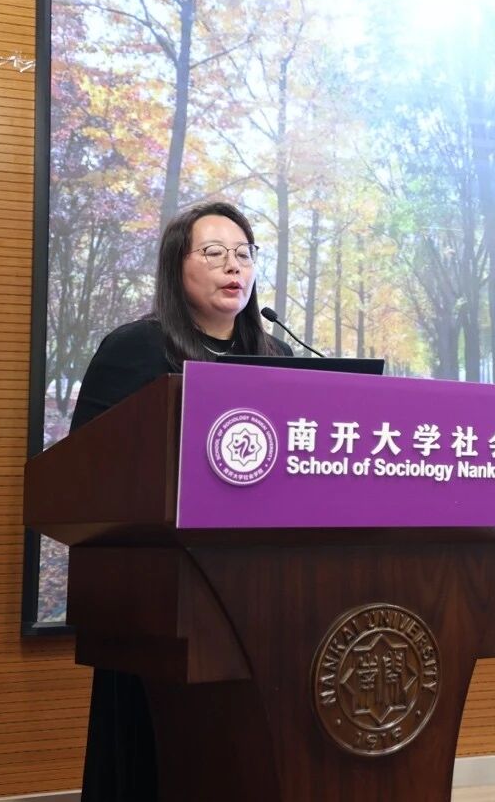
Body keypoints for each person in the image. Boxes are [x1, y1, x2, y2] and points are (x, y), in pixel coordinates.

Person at [71, 201, 291, 801]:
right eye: (214, 253)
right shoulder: (136, 349)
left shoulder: (277, 358)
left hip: (262, 591)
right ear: (177, 265)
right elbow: (83, 471)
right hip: (157, 591)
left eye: (244, 254)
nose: (234, 267)